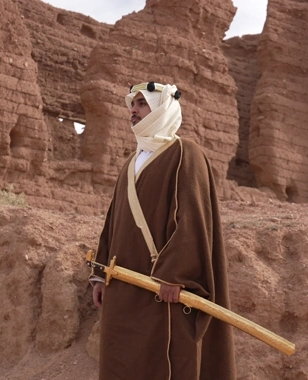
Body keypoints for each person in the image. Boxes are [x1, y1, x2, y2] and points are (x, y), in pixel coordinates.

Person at [89, 81, 236, 380]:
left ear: (161, 109)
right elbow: (114, 220)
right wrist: (101, 273)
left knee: (166, 361)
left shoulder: (185, 153)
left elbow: (193, 218)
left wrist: (176, 275)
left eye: (142, 104)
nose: (133, 110)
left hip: (163, 289)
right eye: (132, 104)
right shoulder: (131, 162)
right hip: (125, 287)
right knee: (121, 363)